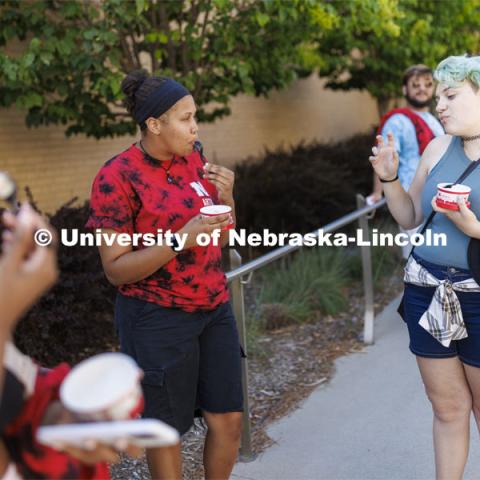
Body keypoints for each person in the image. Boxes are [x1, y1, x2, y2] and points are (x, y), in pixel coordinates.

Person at [86, 70, 243, 479]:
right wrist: (178, 240)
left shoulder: (196, 159)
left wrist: (228, 199)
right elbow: (115, 270)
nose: (196, 127)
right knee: (165, 433)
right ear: (154, 125)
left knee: (228, 421)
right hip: (155, 317)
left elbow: (222, 238)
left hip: (213, 307)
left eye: (195, 117)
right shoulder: (115, 177)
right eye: (186, 118)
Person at [369, 55, 480, 480]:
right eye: (438, 97)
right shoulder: (437, 147)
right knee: (448, 407)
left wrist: (474, 226)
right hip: (427, 291)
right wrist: (391, 179)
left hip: (477, 296)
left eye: (451, 95)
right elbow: (410, 215)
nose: (440, 105)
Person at [368, 64, 444, 258]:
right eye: (415, 84)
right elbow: (384, 161)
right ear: (405, 89)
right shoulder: (397, 121)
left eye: (427, 84)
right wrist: (377, 193)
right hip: (412, 203)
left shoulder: (434, 119)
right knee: (417, 261)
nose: (422, 89)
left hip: (438, 201)